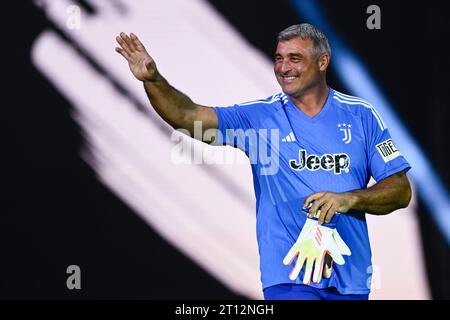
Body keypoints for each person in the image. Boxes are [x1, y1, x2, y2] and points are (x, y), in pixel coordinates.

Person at [115, 23, 411, 300]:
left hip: (352, 276)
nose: (284, 68)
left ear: (323, 62)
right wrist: (154, 80)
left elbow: (400, 190)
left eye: (295, 58)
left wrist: (349, 199)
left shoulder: (362, 115)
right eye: (279, 58)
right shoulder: (258, 118)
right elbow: (188, 116)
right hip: (289, 276)